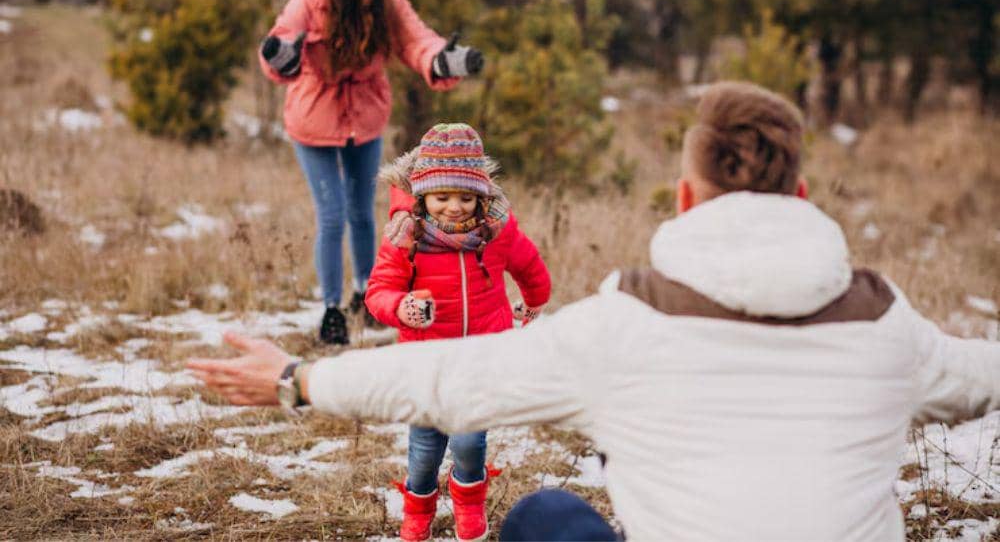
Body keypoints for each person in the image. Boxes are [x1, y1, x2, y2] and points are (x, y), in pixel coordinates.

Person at [188, 81, 1000, 541]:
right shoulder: (889, 324)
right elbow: (980, 376)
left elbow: (451, 377)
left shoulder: (627, 324)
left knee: (545, 518)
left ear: (684, 199)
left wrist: (297, 380)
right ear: (804, 195)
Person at [259, 0, 483, 345]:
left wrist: (446, 59)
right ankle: (330, 310)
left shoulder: (390, 4)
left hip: (364, 118)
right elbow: (285, 36)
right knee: (332, 215)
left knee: (364, 213)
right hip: (314, 119)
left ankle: (367, 295)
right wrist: (281, 52)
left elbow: (418, 42)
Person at [364, 122, 551, 541]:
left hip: (479, 359)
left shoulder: (497, 232)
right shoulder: (406, 238)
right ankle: (418, 511)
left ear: (481, 195)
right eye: (442, 197)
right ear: (422, 195)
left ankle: (468, 503)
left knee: (468, 443)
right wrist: (402, 308)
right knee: (424, 452)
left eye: (466, 197)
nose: (454, 207)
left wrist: (535, 300)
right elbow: (378, 291)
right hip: (426, 362)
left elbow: (530, 266)